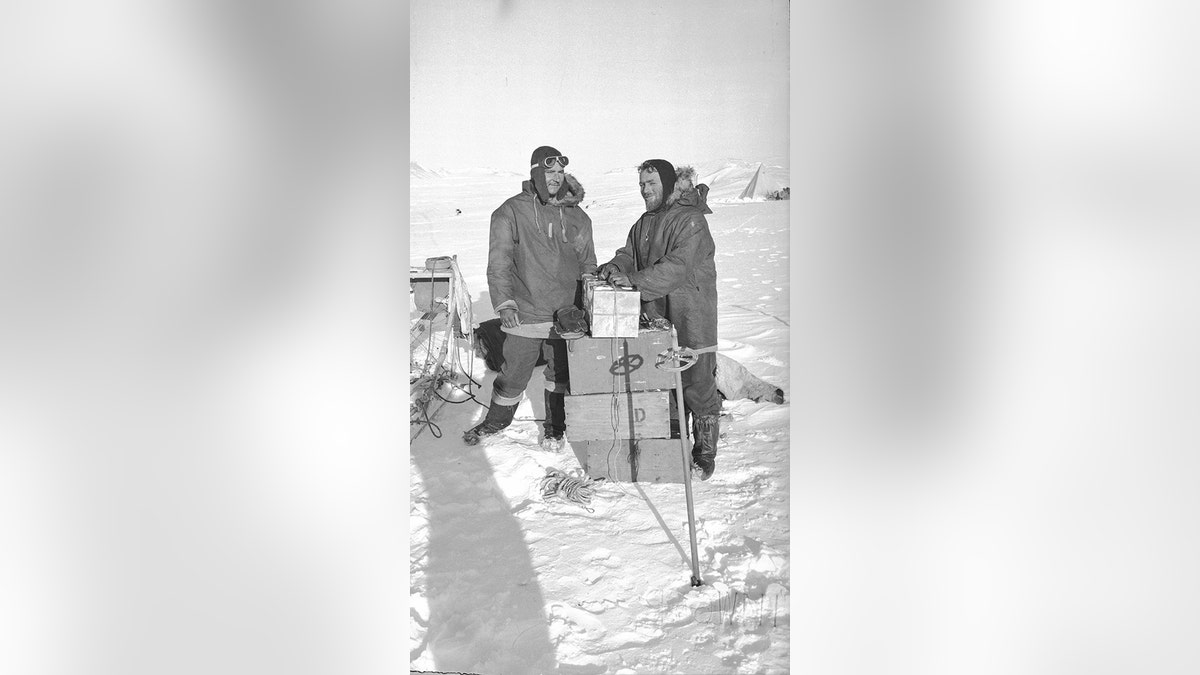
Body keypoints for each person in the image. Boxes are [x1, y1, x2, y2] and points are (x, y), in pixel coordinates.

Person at [464, 146, 597, 450]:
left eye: (561, 172)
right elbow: (498, 263)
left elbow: (588, 262)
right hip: (524, 310)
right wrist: (505, 303)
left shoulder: (577, 216)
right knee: (513, 374)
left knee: (560, 373)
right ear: (536, 172)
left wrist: (588, 298)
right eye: (550, 172)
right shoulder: (510, 211)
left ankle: (555, 428)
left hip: (566, 313)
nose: (556, 178)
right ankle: (496, 421)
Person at [597, 159, 721, 479]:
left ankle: (704, 450)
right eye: (641, 184)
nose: (645, 190)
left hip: (692, 311)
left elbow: (677, 266)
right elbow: (630, 254)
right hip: (658, 313)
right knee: (665, 378)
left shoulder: (690, 220)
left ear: (667, 184)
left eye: (651, 184)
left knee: (697, 380)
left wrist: (634, 282)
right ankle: (674, 440)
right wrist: (616, 266)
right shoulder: (643, 223)